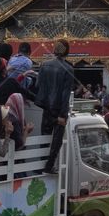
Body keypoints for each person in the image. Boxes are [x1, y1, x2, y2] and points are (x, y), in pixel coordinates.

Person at [35, 40, 76, 174]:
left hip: (46, 108)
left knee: (44, 137)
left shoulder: (44, 65)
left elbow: (37, 86)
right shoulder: (68, 69)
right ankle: (49, 165)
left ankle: (41, 162)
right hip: (58, 110)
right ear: (67, 51)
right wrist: (62, 115)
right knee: (56, 140)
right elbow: (65, 95)